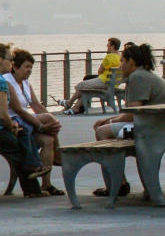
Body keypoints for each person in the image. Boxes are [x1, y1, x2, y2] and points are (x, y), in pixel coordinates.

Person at [89, 43, 165, 196]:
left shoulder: (137, 77)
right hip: (160, 126)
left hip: (151, 130)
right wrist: (111, 119)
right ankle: (119, 182)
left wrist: (108, 122)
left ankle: (116, 185)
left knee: (102, 132)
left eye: (122, 61)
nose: (120, 65)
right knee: (106, 128)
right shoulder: (145, 75)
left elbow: (132, 114)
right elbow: (132, 113)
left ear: (131, 62)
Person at [4, 48, 64, 195]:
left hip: (26, 121)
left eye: (31, 67)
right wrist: (43, 124)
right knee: (49, 119)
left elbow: (36, 106)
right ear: (15, 66)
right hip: (14, 122)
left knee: (48, 140)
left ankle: (46, 184)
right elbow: (19, 110)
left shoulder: (25, 83)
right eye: (26, 67)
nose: (29, 70)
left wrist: (51, 122)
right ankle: (59, 156)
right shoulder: (7, 82)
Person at [0, 44, 49, 196]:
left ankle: (34, 170)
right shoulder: (2, 81)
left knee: (22, 135)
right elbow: (2, 114)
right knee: (17, 144)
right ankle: (32, 186)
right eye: (10, 59)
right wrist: (11, 126)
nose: (11, 62)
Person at [58, 37, 121, 114]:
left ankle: (69, 103)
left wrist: (101, 76)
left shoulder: (109, 56)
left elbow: (100, 70)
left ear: (113, 46)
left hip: (104, 81)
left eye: (108, 45)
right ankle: (75, 108)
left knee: (82, 84)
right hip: (115, 83)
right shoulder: (120, 57)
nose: (107, 47)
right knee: (86, 89)